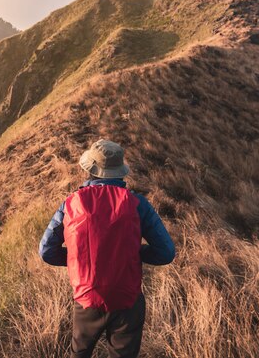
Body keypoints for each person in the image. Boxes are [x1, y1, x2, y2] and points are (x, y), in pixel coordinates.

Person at [39, 139, 176, 358]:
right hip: (127, 299)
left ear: (90, 171)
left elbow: (46, 250)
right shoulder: (138, 204)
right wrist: (136, 252)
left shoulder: (70, 203)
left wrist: (78, 258)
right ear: (120, 172)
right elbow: (166, 252)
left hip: (86, 297)